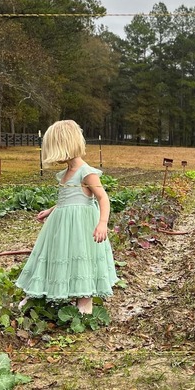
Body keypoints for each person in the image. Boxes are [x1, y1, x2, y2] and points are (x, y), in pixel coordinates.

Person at [16, 120, 118, 314]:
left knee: (82, 258)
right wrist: (51, 210)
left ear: (64, 146)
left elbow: (103, 198)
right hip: (61, 224)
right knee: (56, 254)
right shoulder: (65, 173)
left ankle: (84, 300)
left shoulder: (87, 173)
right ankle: (43, 292)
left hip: (81, 226)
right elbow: (68, 200)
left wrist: (102, 223)